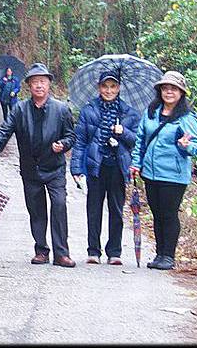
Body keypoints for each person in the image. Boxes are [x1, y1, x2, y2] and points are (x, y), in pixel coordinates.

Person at [0, 62, 77, 267]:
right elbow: (4, 132)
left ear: (49, 84)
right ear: (29, 86)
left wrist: (63, 144)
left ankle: (61, 253)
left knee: (59, 206)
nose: (39, 86)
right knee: (36, 210)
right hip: (30, 168)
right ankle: (41, 250)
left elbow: (71, 136)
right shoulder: (19, 109)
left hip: (55, 168)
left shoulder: (61, 109)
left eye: (43, 81)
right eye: (35, 82)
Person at [129, 70, 197, 270]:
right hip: (150, 173)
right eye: (165, 88)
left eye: (173, 88)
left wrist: (185, 145)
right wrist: (136, 163)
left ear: (181, 93)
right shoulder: (151, 113)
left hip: (174, 175)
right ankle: (159, 255)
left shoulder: (186, 118)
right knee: (157, 213)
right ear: (160, 90)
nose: (169, 91)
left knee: (169, 214)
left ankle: (168, 256)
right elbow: (140, 141)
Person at [70, 71, 140, 265]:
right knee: (94, 209)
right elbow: (81, 141)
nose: (108, 90)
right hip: (96, 165)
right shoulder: (88, 110)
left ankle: (114, 252)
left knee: (116, 209)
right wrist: (76, 168)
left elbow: (136, 140)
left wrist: (123, 131)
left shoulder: (129, 113)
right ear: (99, 87)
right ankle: (93, 250)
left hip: (118, 166)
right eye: (105, 86)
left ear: (118, 88)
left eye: (113, 86)